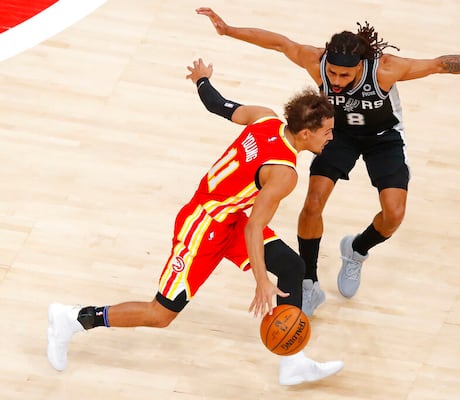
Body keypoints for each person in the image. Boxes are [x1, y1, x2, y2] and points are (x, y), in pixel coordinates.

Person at [196, 7, 460, 316]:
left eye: (344, 75)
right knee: (313, 202)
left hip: (383, 138)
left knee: (394, 214)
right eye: (332, 74)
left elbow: (441, 64)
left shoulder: (385, 69)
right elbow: (280, 43)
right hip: (337, 134)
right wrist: (227, 30)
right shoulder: (316, 61)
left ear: (361, 65)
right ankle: (310, 281)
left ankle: (355, 249)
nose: (336, 81)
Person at [47, 57, 344, 386]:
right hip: (202, 226)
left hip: (228, 216)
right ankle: (74, 318)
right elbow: (254, 228)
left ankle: (292, 363)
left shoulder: (265, 118)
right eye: (327, 132)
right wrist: (261, 280)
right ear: (305, 133)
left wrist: (202, 80)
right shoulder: (284, 173)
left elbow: (218, 105)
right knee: (161, 314)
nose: (331, 137)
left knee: (291, 267)